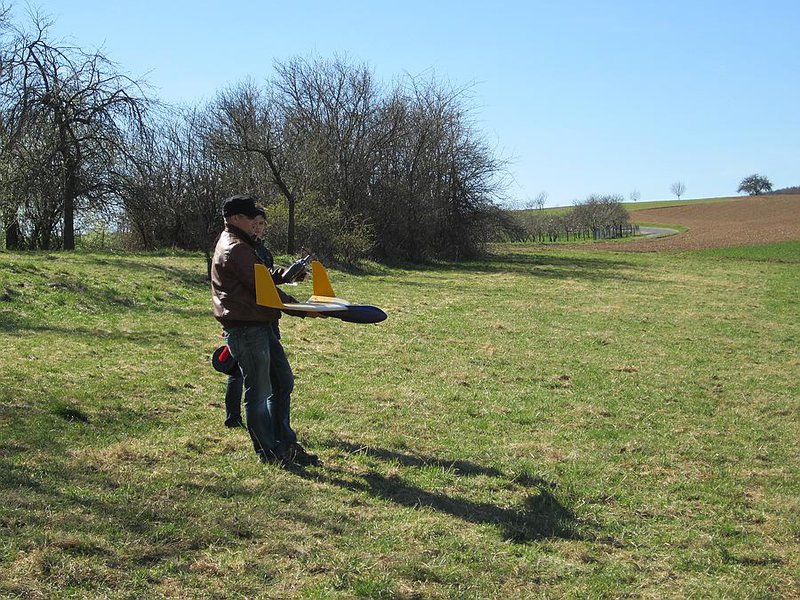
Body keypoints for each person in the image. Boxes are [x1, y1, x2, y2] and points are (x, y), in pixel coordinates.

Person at [211, 195, 318, 466]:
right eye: (250, 219)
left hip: (260, 325)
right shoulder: (234, 248)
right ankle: (270, 453)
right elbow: (262, 289)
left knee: (282, 383)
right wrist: (303, 308)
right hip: (246, 329)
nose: (256, 225)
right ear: (235, 219)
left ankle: (286, 444)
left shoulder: (243, 245)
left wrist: (286, 274)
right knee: (258, 392)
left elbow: (261, 274)